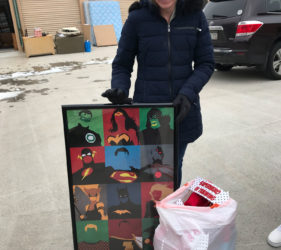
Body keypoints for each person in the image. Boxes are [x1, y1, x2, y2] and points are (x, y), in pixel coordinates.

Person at [102, 0, 214, 188]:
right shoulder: (137, 19)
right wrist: (120, 88)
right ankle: (151, 214)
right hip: (148, 113)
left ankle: (168, 214)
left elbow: (206, 63)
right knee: (148, 169)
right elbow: (122, 64)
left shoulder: (196, 17)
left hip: (180, 112)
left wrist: (188, 93)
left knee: (172, 168)